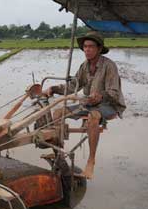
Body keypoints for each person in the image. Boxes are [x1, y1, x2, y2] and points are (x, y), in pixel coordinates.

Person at [43, 31, 126, 179]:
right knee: (57, 113)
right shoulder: (84, 66)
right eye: (85, 46)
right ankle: (59, 154)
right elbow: (73, 86)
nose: (87, 49)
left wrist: (100, 96)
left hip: (108, 105)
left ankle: (91, 159)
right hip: (88, 103)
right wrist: (54, 89)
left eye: (91, 46)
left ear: (99, 49)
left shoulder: (109, 66)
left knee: (93, 116)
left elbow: (114, 92)